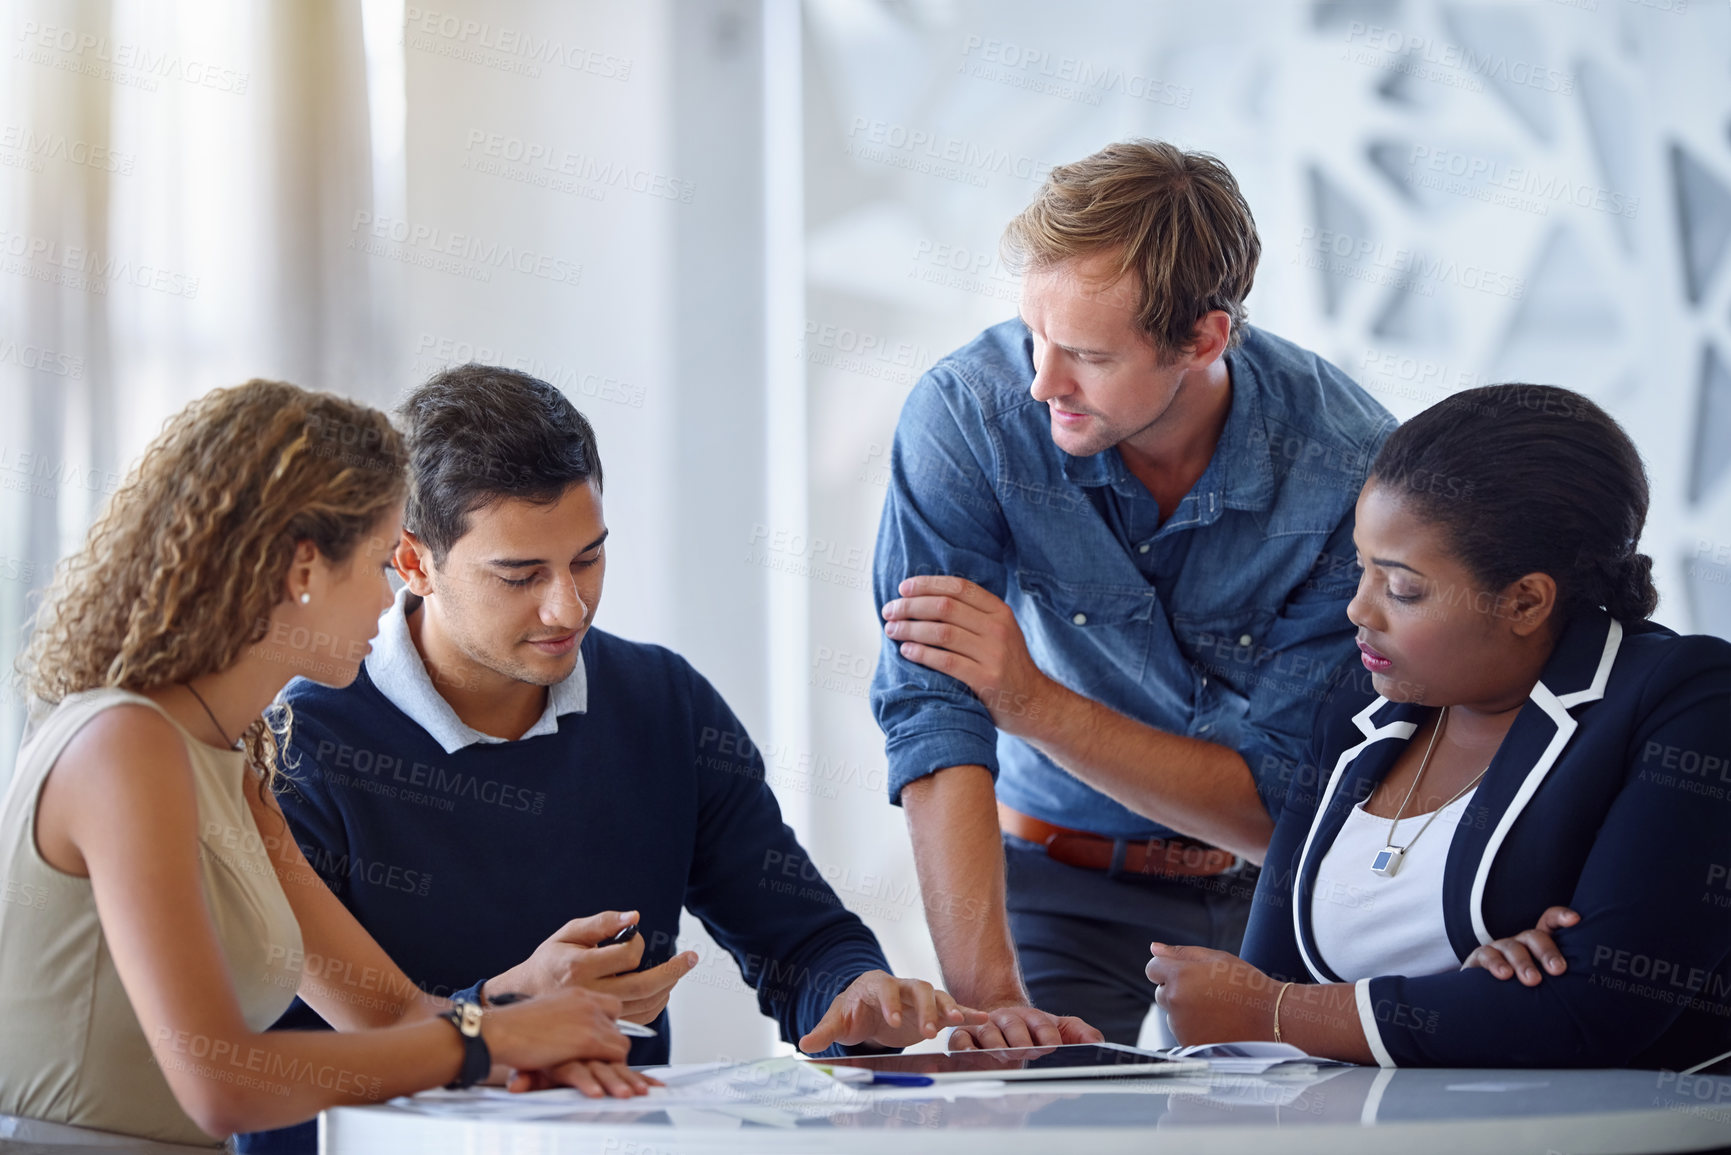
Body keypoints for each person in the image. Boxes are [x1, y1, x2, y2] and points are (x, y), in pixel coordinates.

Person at [242, 365, 983, 1153]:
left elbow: (801, 940)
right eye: (520, 575)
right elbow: (277, 1071)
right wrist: (503, 1007)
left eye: (587, 558)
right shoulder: (296, 744)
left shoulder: (664, 703)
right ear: (414, 561)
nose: (568, 607)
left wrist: (857, 993)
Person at [0, 381, 634, 1150]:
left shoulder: (230, 763)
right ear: (304, 567)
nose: (391, 594)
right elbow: (221, 1081)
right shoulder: (126, 748)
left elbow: (389, 1012)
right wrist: (490, 1044)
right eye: (375, 562)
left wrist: (525, 1032)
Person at [870, 139, 1394, 1048]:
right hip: (1053, 874)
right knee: (1035, 1123)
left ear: (1203, 338)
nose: (1040, 381)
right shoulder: (970, 413)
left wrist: (1029, 700)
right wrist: (995, 1005)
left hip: (1276, 885)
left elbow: (1283, 808)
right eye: (1033, 333)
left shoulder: (1348, 471)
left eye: (1084, 354)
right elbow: (931, 712)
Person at [1144, 384, 1731, 1070]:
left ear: (1523, 599)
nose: (1359, 610)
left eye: (1401, 588)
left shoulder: (1684, 699)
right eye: (1359, 568)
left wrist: (1278, 1012)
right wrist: (1461, 998)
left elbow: (1596, 1009)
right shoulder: (1354, 710)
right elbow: (1264, 979)